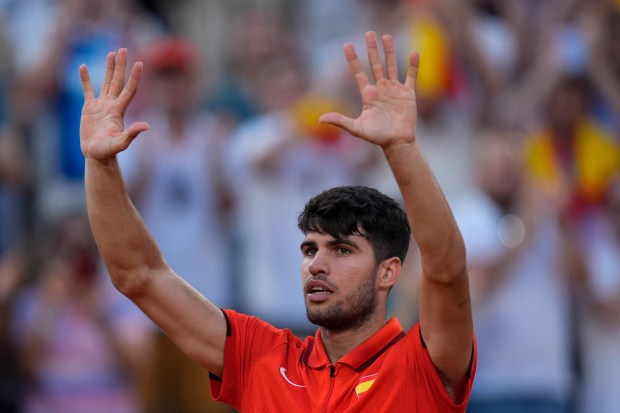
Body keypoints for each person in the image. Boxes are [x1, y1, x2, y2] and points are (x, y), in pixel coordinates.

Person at [78, 31, 476, 411]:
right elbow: (139, 274)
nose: (316, 264)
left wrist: (401, 147)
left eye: (342, 249)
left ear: (389, 271)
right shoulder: (262, 357)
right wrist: (98, 163)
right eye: (309, 249)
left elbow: (446, 268)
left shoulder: (425, 366)